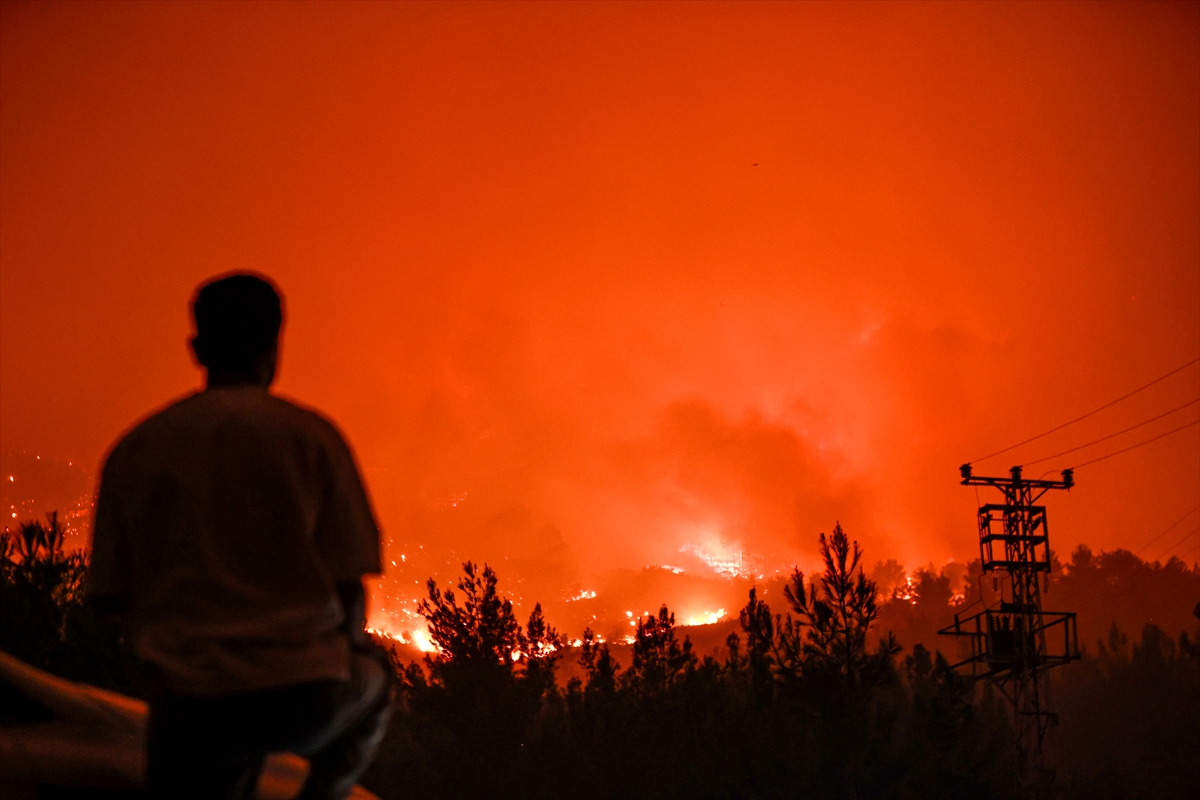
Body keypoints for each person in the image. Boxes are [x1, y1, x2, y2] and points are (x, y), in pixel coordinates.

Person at [89, 273, 391, 799]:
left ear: (198, 349)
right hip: (301, 694)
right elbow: (350, 583)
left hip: (190, 700)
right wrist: (343, 649)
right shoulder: (312, 439)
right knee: (378, 681)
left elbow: (110, 597)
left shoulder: (137, 449)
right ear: (274, 347)